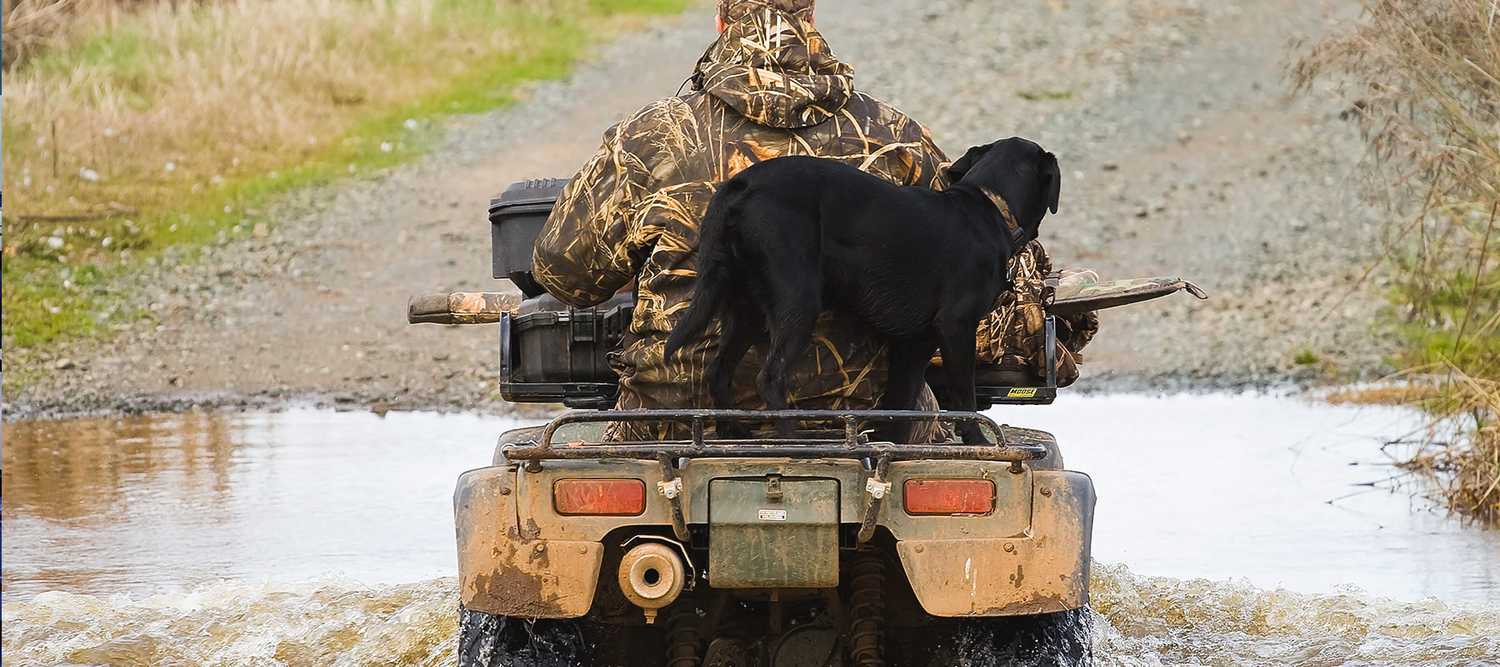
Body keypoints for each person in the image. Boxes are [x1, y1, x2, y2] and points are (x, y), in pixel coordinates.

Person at [533, 0, 1092, 440]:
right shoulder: (894, 137)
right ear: (812, 19)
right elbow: (962, 271)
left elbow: (563, 277)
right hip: (864, 430)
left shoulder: (651, 137)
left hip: (676, 423)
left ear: (722, 20)